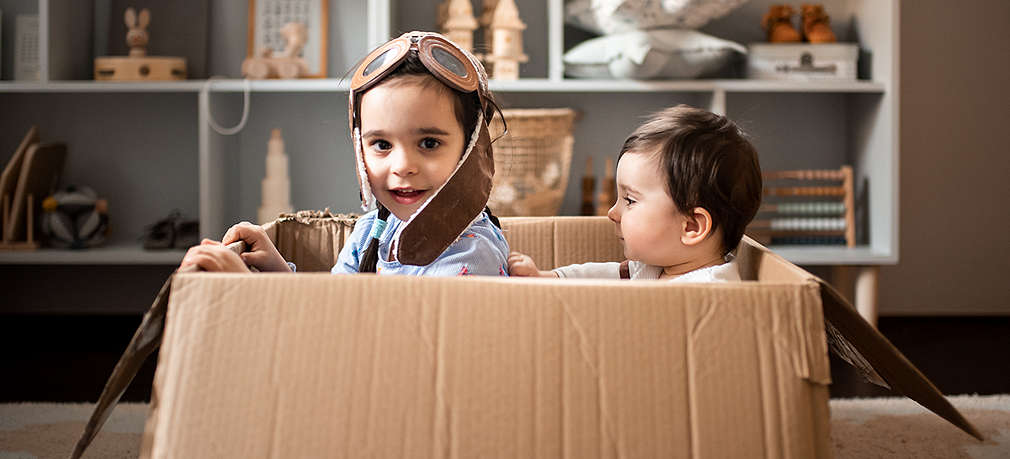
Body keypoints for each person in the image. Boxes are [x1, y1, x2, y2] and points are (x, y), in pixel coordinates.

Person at [181, 32, 509, 276]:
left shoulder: (470, 255)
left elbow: (361, 340)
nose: (403, 166)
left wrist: (249, 294)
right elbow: (336, 305)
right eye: (381, 145)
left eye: (428, 144)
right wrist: (276, 270)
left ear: (471, 148)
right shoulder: (372, 230)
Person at [508, 105, 762, 282]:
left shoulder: (713, 293)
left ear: (691, 226)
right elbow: (599, 276)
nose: (612, 213)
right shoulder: (659, 267)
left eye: (629, 200)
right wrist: (547, 277)